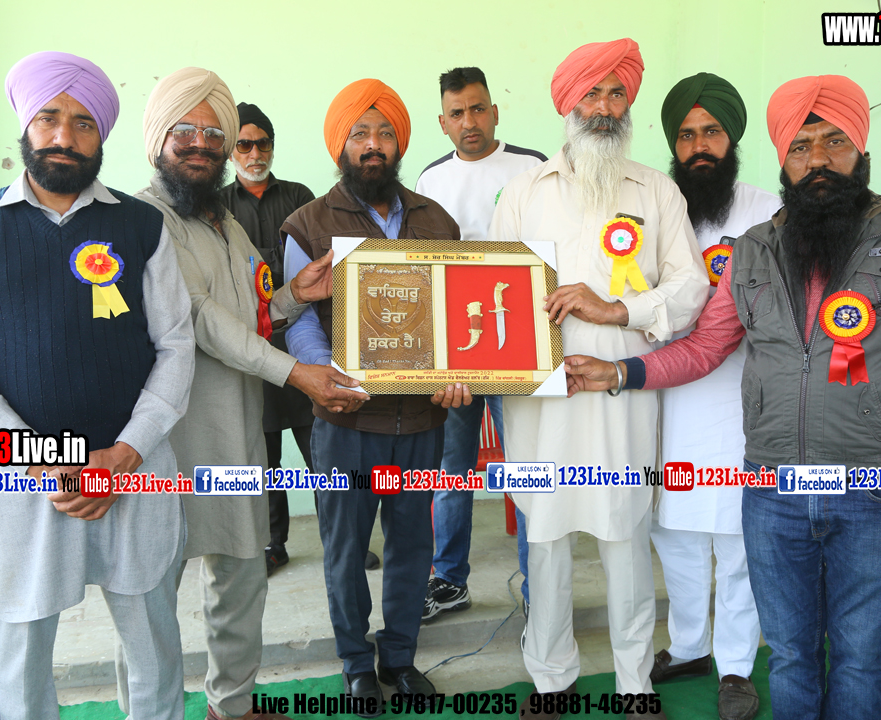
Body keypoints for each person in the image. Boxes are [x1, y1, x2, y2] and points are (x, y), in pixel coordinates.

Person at [565, 75, 881, 720]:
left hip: (875, 493)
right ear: (783, 159)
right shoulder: (755, 248)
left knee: (859, 658)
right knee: (789, 656)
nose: (818, 161)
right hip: (772, 493)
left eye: (834, 142)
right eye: (800, 147)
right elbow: (706, 347)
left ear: (861, 150)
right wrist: (619, 372)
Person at [0, 51, 195, 720]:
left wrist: (124, 453)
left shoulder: (141, 226)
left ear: (102, 136)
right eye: (49, 118)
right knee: (18, 654)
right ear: (26, 124)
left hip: (133, 469)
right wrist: (42, 461)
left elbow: (175, 347)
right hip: (19, 480)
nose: (64, 137)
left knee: (154, 645)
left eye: (83, 123)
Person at [121, 67, 363, 720]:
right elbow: (200, 318)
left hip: (235, 432)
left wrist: (294, 295)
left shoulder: (223, 221)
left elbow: (248, 314)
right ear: (158, 137)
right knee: (150, 593)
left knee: (240, 577)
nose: (201, 144)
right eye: (186, 131)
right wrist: (297, 373)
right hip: (166, 443)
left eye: (213, 133)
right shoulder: (144, 219)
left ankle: (230, 706)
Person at [489, 39, 707, 720]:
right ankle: (552, 682)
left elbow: (691, 288)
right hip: (542, 404)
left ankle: (635, 684)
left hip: (622, 397)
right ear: (569, 103)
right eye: (593, 93)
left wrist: (617, 310)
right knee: (547, 544)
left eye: (616, 93)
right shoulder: (524, 191)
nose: (605, 107)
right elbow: (492, 293)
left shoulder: (656, 190)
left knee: (625, 544)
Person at [282, 78, 466, 716]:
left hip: (420, 420)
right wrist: (324, 374)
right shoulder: (308, 223)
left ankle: (400, 658)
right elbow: (299, 318)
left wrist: (459, 371)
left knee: (413, 548)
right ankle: (357, 665)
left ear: (399, 144)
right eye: (359, 133)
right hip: (345, 422)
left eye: (385, 132)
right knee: (344, 552)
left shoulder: (437, 221)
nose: (373, 144)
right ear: (340, 144)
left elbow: (455, 316)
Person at [650, 72, 781, 720]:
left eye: (711, 132)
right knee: (673, 531)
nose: (699, 145)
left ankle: (734, 666)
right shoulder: (652, 208)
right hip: (666, 399)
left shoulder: (766, 210)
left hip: (741, 403)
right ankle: (688, 647)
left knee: (736, 540)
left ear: (733, 139)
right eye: (686, 135)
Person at [414, 66, 546, 623]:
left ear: (494, 111)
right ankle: (449, 580)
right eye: (457, 113)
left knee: (527, 468)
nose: (469, 121)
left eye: (477, 108)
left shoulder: (533, 167)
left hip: (518, 342)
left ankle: (539, 587)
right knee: (451, 471)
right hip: (454, 351)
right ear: (443, 122)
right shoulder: (430, 179)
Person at [218, 102, 366, 576]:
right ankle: (272, 543)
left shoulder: (301, 198)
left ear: (272, 146)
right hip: (250, 346)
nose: (254, 153)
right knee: (263, 457)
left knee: (321, 450)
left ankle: (343, 541)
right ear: (231, 151)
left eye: (262, 143)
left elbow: (322, 266)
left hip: (302, 338)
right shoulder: (217, 207)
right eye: (244, 144)